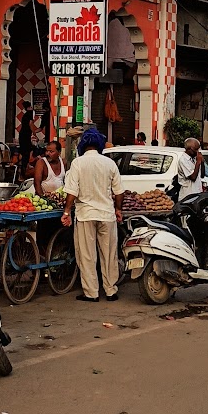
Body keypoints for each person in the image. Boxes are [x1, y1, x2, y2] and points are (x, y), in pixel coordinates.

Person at [61, 126, 123, 302]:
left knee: (87, 255)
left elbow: (72, 191)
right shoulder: (109, 163)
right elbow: (119, 192)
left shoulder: (78, 163)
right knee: (109, 253)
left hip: (85, 214)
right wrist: (118, 210)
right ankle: (111, 290)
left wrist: (66, 211)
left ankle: (91, 292)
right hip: (107, 214)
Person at [17, 103, 35, 177]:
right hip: (25, 136)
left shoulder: (24, 115)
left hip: (22, 135)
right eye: (30, 106)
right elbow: (31, 124)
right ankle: (24, 172)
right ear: (28, 108)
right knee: (26, 153)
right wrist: (34, 133)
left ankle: (22, 170)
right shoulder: (30, 114)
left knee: (24, 152)